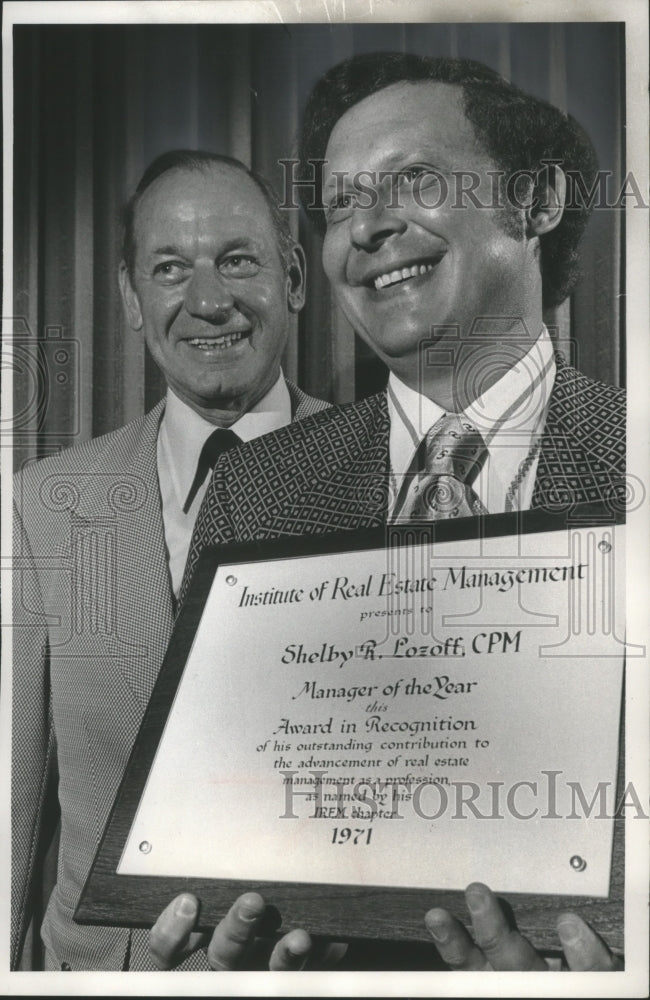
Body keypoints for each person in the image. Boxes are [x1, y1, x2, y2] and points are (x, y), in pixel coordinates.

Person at [175, 54, 625, 971]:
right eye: (340, 206)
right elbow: (211, 817)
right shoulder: (255, 489)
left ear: (536, 202)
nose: (368, 229)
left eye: (414, 181)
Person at [11, 149, 329, 972]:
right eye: (169, 268)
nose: (208, 301)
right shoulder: (44, 507)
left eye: (237, 260)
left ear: (293, 278)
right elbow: (10, 809)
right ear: (128, 297)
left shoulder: (397, 473)